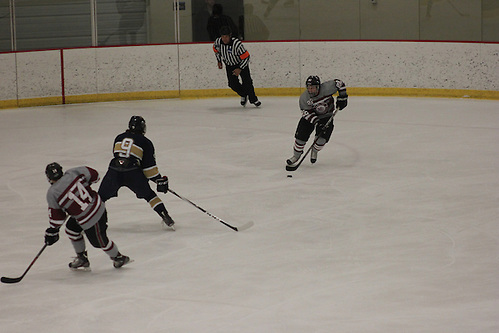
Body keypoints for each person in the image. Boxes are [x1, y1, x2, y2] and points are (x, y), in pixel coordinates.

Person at [44, 162, 130, 270]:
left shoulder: (52, 193)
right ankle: (82, 258)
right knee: (71, 229)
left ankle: (118, 257)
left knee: (99, 242)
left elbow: (57, 218)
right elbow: (95, 176)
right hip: (97, 206)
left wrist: (53, 231)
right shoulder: (73, 172)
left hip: (91, 218)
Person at [98, 115, 175, 230]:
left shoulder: (119, 137)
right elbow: (149, 168)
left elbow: (117, 155)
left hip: (114, 170)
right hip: (132, 172)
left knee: (100, 197)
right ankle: (165, 216)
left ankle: (90, 221)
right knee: (150, 195)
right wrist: (158, 180)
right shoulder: (145, 142)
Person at [286, 75, 348, 166]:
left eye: (313, 88)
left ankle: (314, 151)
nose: (310, 90)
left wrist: (343, 97)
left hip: (326, 116)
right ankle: (296, 156)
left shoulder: (327, 88)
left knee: (322, 140)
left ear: (318, 87)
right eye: (309, 88)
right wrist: (317, 122)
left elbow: (340, 83)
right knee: (300, 137)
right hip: (311, 117)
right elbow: (306, 113)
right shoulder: (304, 98)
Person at [213, 26, 261, 107]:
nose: (224, 39)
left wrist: (240, 68)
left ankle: (253, 99)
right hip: (229, 65)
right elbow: (215, 50)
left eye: (226, 36)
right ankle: (243, 94)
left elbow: (246, 57)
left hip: (241, 63)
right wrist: (219, 61)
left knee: (247, 82)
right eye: (222, 36)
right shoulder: (218, 42)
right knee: (232, 84)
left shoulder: (237, 44)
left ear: (230, 36)